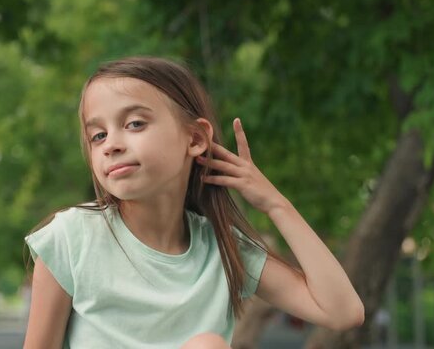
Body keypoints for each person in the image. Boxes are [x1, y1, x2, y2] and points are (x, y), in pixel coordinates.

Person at [23, 57, 364, 348]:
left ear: (196, 138)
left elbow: (343, 312)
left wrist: (276, 205)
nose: (111, 144)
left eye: (134, 124)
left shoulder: (224, 249)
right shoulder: (70, 238)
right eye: (98, 135)